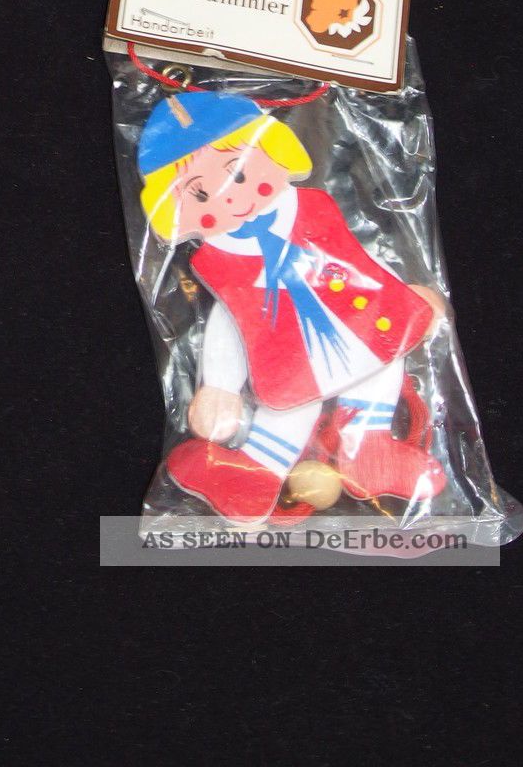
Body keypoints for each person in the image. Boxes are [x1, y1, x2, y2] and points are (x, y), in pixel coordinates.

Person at [137, 89, 445, 520]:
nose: (231, 198)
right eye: (200, 195)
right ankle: (254, 472)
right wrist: (221, 387)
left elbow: (357, 259)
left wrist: (405, 298)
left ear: (276, 152)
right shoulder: (218, 263)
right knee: (292, 408)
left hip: (362, 324)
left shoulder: (314, 206)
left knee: (384, 366)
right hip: (288, 357)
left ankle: (368, 448)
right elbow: (228, 325)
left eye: (238, 174)